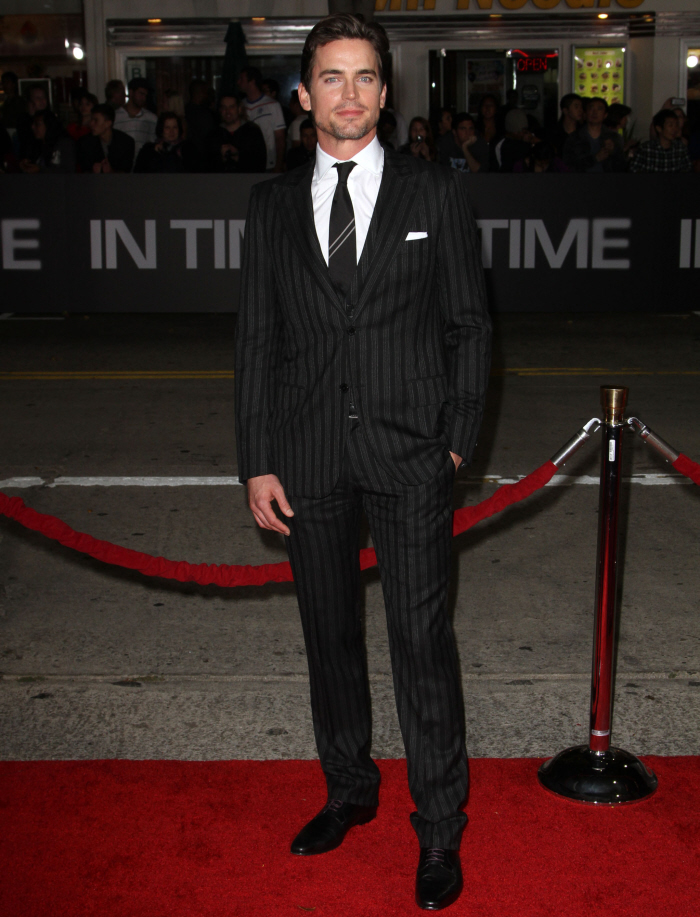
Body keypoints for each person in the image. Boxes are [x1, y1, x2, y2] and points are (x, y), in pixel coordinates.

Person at [235, 13, 491, 913]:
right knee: (330, 635)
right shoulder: (270, 207)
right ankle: (348, 787)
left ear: (387, 91)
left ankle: (440, 824)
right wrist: (257, 459)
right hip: (307, 456)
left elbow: (469, 325)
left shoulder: (434, 191)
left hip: (410, 452)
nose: (350, 93)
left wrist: (455, 438)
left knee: (422, 642)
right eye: (332, 77)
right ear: (305, 96)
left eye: (366, 76)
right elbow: (257, 341)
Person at [238, 66, 286, 172]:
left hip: (268, 164)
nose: (238, 82)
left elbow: (280, 137)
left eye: (241, 79)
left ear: (251, 81)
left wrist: (278, 165)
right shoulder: (241, 106)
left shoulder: (272, 105)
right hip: (246, 164)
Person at [206, 94, 267, 173]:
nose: (227, 111)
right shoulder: (214, 135)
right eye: (224, 107)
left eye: (231, 107)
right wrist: (221, 158)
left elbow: (260, 163)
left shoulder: (252, 132)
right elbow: (207, 167)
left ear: (239, 109)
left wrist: (238, 157)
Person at [564, 97, 626, 173]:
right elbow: (569, 166)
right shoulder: (574, 137)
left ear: (605, 115)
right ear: (585, 113)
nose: (594, 112)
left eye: (599, 109)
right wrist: (595, 158)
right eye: (591, 108)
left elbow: (622, 167)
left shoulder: (614, 137)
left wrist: (613, 151)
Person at [134, 111, 200, 173]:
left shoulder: (188, 148)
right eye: (167, 128)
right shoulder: (149, 149)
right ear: (161, 129)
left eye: (175, 127)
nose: (171, 131)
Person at [77, 103, 135, 173]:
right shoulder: (85, 143)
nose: (91, 124)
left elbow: (126, 172)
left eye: (96, 120)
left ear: (108, 123)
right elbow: (84, 170)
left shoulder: (126, 143)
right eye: (91, 120)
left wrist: (111, 172)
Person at [113, 77, 157, 163]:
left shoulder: (151, 118)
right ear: (131, 92)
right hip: (121, 164)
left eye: (145, 95)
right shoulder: (115, 116)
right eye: (141, 94)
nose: (143, 98)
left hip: (143, 165)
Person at [185, 79, 216, 163]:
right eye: (206, 93)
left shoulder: (185, 111)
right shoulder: (206, 114)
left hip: (188, 157)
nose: (207, 96)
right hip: (203, 158)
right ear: (201, 93)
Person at [548, 92, 583, 158]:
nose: (580, 110)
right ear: (565, 110)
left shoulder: (583, 131)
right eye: (576, 107)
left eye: (581, 107)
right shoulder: (554, 132)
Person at [475, 93, 502, 172]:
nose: (487, 108)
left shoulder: (501, 129)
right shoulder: (474, 128)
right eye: (484, 105)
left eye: (491, 105)